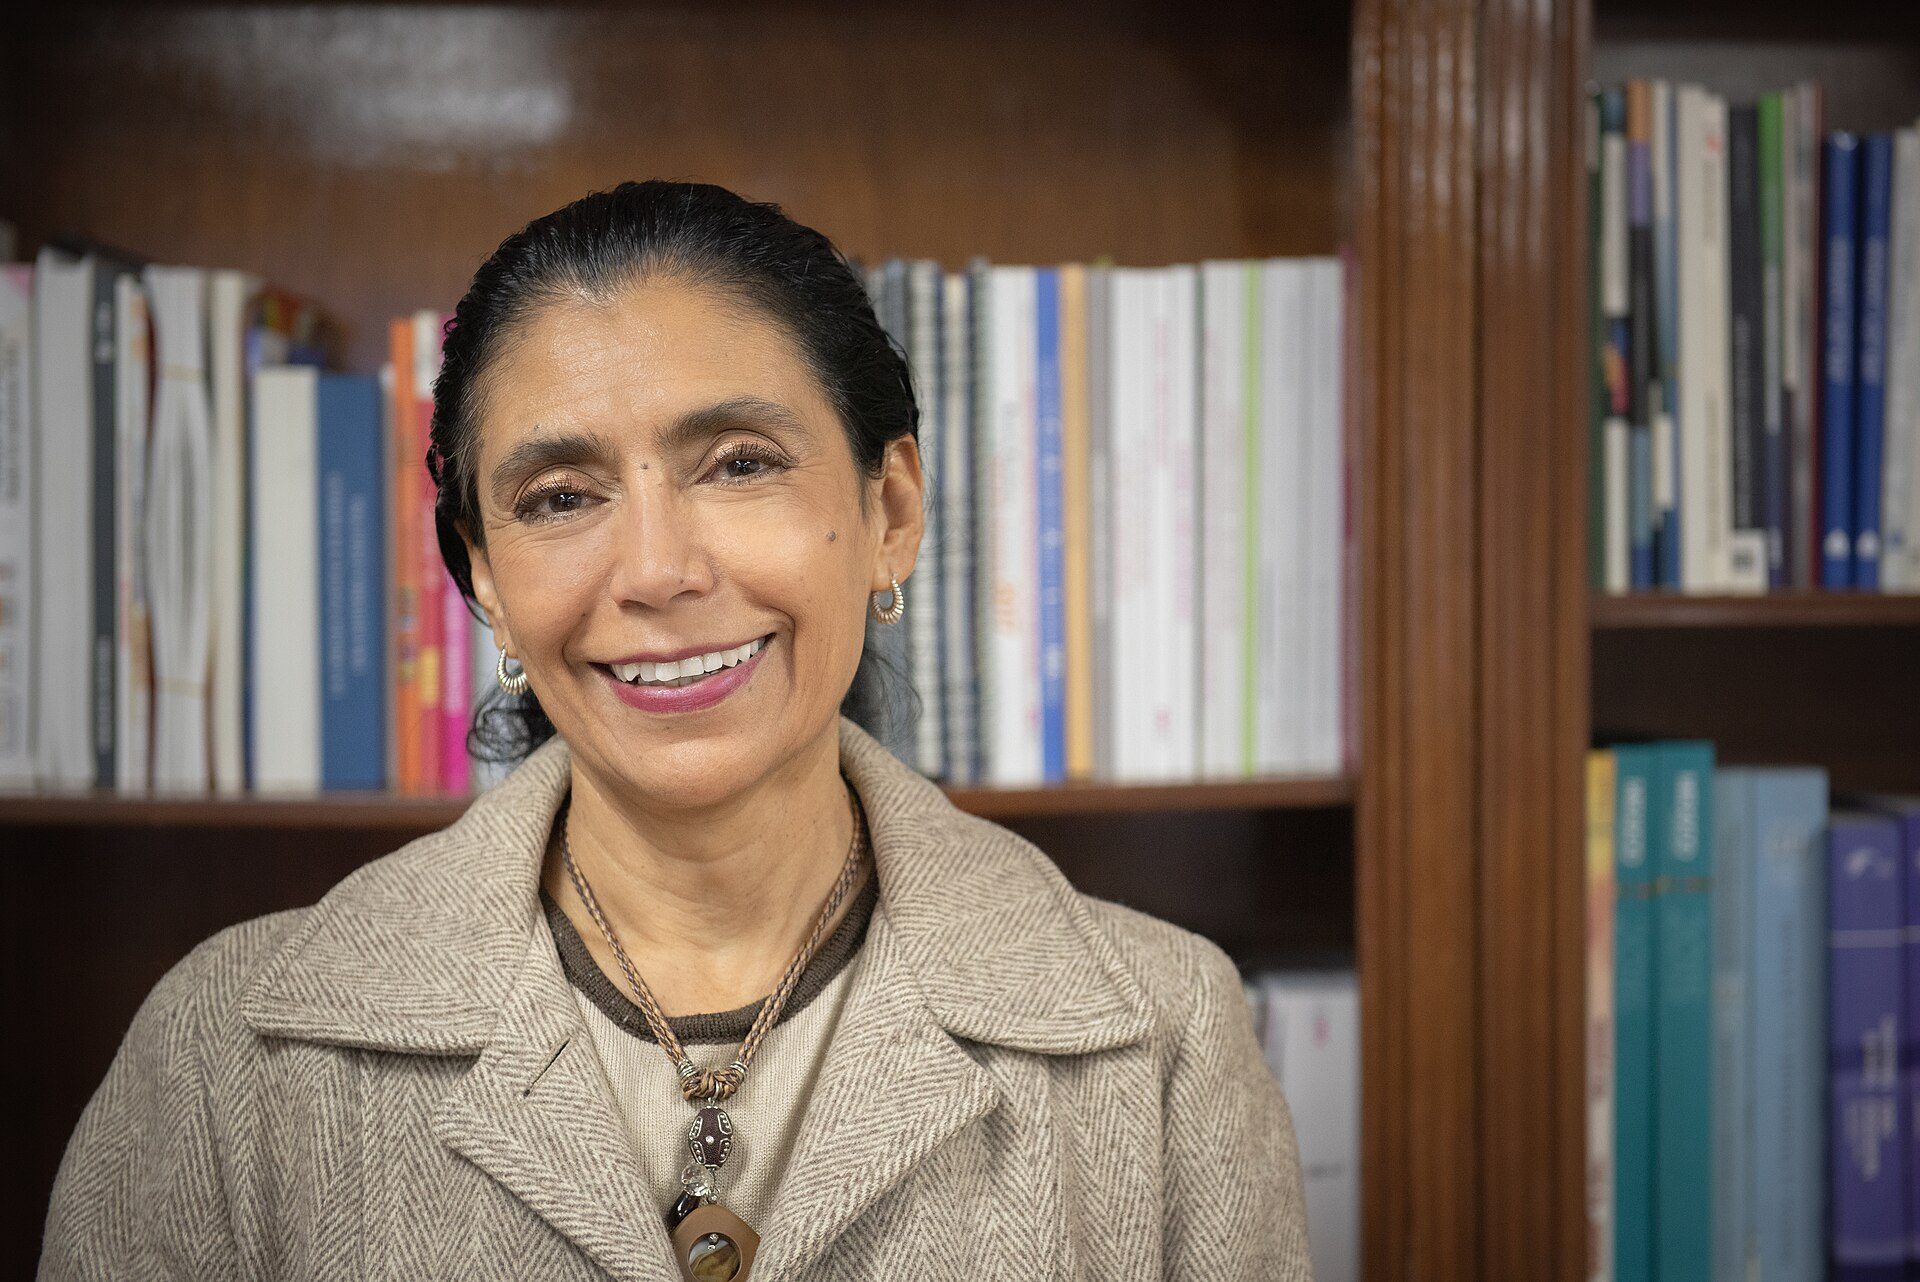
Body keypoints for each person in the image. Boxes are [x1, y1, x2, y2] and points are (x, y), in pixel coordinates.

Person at [40, 180, 1314, 1281]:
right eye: (559, 495)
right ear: (483, 577)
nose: (653, 569)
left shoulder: (1165, 1045)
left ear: (891, 509)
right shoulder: (223, 1060)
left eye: (739, 463)